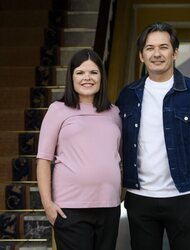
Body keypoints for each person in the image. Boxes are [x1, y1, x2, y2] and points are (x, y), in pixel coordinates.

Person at [116, 22, 190, 250]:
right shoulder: (127, 96)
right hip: (139, 198)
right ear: (141, 55)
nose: (156, 54)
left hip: (184, 197)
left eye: (163, 47)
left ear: (175, 52)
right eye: (149, 48)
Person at [36, 48, 122, 250]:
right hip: (70, 208)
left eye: (94, 72)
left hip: (109, 207)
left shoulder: (114, 112)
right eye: (80, 72)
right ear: (71, 77)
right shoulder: (58, 110)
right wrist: (47, 204)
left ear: (102, 77)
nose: (87, 78)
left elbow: (118, 157)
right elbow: (43, 160)